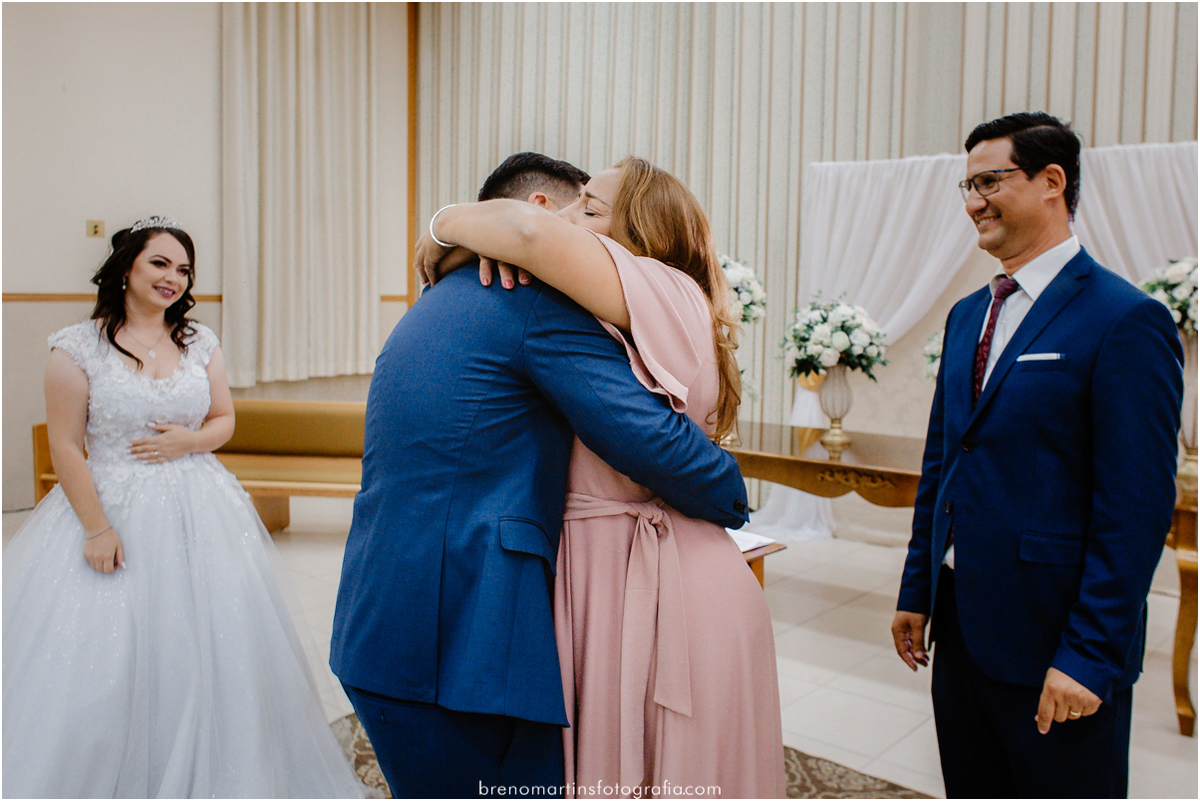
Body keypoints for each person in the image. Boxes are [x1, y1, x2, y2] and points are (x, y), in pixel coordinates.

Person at [330, 155, 753, 799]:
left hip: (388, 620)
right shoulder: (532, 300)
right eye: (581, 212)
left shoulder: (446, 295)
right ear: (539, 216)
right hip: (465, 643)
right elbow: (660, 446)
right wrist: (733, 491)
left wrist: (443, 232)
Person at [2, 217, 366, 798]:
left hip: (202, 504)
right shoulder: (76, 347)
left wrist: (188, 441)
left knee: (217, 644)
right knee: (107, 654)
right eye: (160, 263)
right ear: (126, 267)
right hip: (112, 503)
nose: (174, 278)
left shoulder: (199, 342)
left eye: (184, 270)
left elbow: (224, 419)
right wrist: (97, 528)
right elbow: (66, 446)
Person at [890, 113, 1184, 798]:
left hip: (1057, 638)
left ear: (1052, 182)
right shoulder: (969, 314)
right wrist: (916, 588)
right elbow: (944, 462)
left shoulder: (1124, 318)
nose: (972, 202)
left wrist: (1088, 654)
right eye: (966, 185)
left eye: (990, 180)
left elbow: (1135, 509)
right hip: (961, 623)